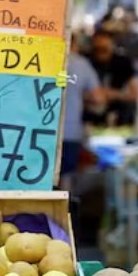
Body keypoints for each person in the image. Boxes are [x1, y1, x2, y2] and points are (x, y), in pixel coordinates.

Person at [60, 34, 103, 187]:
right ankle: (65, 210)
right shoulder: (81, 64)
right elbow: (98, 98)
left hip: (41, 131)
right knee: (66, 179)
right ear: (75, 45)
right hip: (71, 131)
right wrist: (80, 96)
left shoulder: (44, 57)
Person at [89, 30, 138, 126]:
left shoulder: (123, 63)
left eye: (104, 49)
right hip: (91, 118)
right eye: (97, 49)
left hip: (119, 118)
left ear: (112, 46)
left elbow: (135, 93)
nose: (101, 53)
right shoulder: (88, 62)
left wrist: (113, 94)